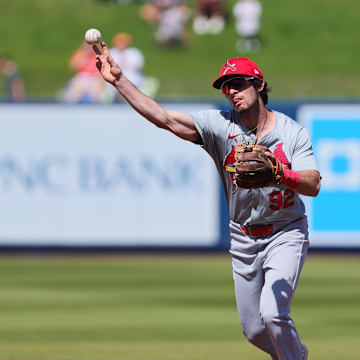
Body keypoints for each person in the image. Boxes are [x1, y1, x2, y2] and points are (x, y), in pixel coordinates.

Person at [93, 42, 321, 359]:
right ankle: (295, 354)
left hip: (285, 232)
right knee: (254, 331)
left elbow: (313, 184)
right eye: (227, 87)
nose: (232, 91)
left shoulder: (291, 132)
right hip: (243, 236)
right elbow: (163, 117)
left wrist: (281, 175)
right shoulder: (219, 125)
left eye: (239, 83)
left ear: (259, 84)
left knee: (272, 314)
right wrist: (119, 81)